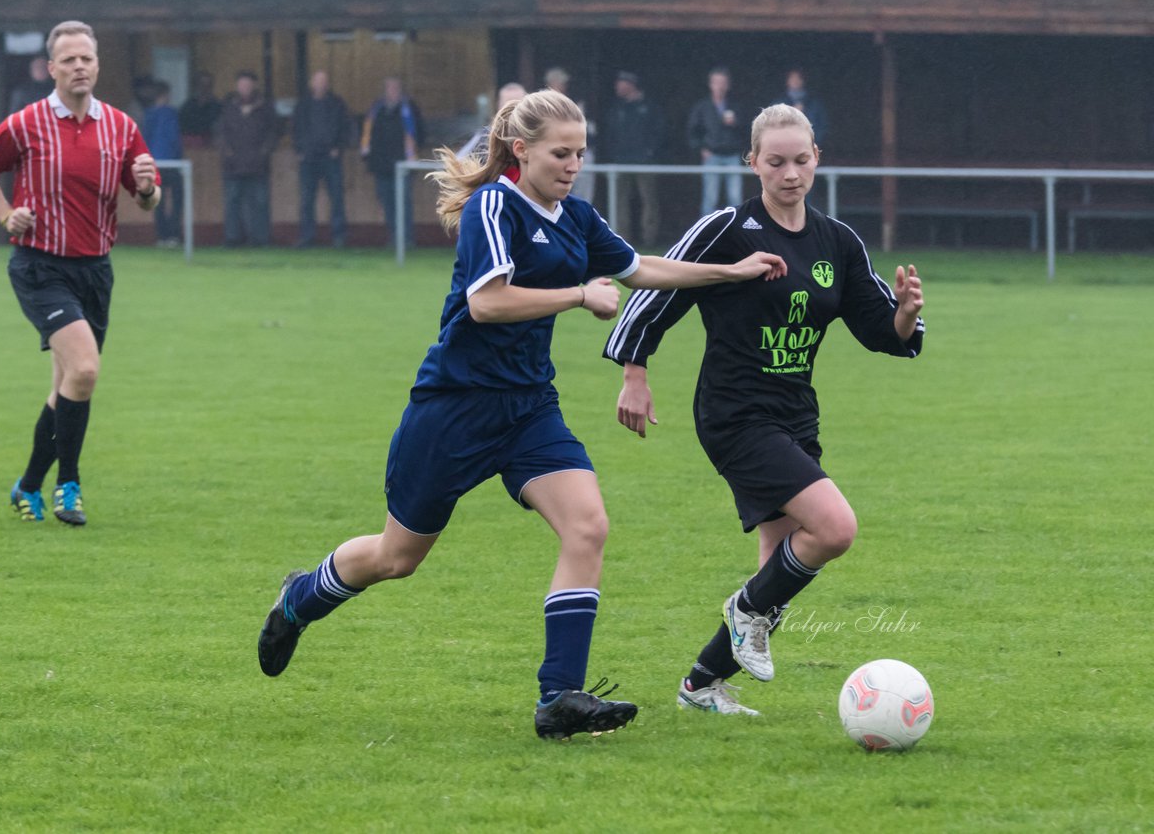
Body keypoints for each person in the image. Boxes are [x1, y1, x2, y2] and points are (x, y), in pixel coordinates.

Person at [256, 89, 786, 740]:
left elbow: (639, 269)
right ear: (520, 150)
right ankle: (298, 599)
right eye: (560, 153)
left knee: (588, 526)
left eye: (581, 154)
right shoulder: (492, 207)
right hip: (454, 407)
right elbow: (488, 303)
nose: (573, 165)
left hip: (529, 407)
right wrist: (578, 295)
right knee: (397, 557)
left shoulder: (575, 216)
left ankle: (559, 697)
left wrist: (730, 271)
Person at [603, 103, 924, 717]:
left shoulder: (838, 241)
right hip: (734, 415)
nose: (790, 174)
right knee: (834, 529)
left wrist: (905, 314)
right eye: (775, 162)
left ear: (817, 160)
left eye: (801, 161)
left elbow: (880, 328)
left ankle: (703, 683)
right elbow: (655, 290)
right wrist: (634, 372)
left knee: (778, 565)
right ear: (752, 163)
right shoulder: (726, 228)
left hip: (795, 415)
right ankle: (744, 612)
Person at [0, 20, 160, 527]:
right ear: (51, 68)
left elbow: (147, 197)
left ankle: (27, 485)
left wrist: (146, 187)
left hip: (95, 270)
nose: (78, 67)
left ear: (97, 65)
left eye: (86, 59)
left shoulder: (119, 126)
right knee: (86, 371)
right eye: (68, 59)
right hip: (39, 265)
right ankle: (67, 486)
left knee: (68, 385)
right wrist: (8, 215)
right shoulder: (26, 123)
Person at [598, 71, 663, 248]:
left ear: (631, 84)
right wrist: (612, 155)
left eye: (621, 83)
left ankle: (649, 241)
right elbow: (609, 135)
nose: (617, 87)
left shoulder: (649, 107)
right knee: (620, 201)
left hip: (644, 162)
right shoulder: (615, 108)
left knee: (648, 201)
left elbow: (659, 132)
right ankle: (621, 240)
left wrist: (650, 152)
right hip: (620, 162)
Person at [216, 70, 278, 247]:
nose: (244, 87)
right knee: (232, 203)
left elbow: (273, 133)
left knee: (260, 203)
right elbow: (219, 132)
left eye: (248, 84)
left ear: (254, 86)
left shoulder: (265, 107)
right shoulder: (228, 106)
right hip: (232, 165)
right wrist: (226, 151)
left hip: (258, 165)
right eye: (242, 84)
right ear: (237, 86)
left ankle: (261, 239)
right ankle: (233, 239)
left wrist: (264, 152)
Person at [360, 76, 424, 247]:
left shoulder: (409, 109)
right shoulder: (376, 109)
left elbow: (418, 133)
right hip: (382, 165)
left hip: (403, 164)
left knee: (404, 203)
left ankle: (407, 238)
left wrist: (412, 156)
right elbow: (368, 136)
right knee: (387, 202)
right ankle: (394, 237)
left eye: (396, 87)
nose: (392, 91)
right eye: (389, 87)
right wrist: (368, 157)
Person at [292, 69, 349, 249]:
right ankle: (307, 236)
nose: (321, 84)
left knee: (337, 197)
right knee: (307, 199)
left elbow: (345, 128)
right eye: (318, 81)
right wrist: (299, 150)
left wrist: (338, 148)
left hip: (330, 157)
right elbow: (294, 129)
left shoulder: (337, 104)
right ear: (311, 83)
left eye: (324, 81)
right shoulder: (302, 105)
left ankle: (339, 236)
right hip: (308, 157)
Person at [687, 66, 746, 214]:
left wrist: (736, 123)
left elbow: (748, 130)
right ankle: (706, 234)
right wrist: (701, 148)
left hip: (732, 156)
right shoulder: (702, 107)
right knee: (710, 199)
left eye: (723, 82)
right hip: (712, 155)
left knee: (735, 198)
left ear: (728, 85)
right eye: (716, 82)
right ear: (710, 84)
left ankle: (737, 234)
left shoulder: (736, 106)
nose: (719, 86)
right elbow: (692, 131)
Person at [543, 67, 595, 202]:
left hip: (576, 152)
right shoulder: (540, 105)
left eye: (563, 83)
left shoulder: (575, 104)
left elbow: (587, 130)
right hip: (553, 153)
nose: (562, 86)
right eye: (560, 82)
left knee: (581, 194)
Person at [143, 80, 183, 247]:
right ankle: (174, 235)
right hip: (171, 162)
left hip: (154, 162)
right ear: (165, 95)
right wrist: (179, 156)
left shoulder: (148, 114)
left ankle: (161, 236)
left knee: (157, 201)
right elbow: (174, 138)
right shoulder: (170, 113)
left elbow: (144, 137)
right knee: (177, 198)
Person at [455, 82, 525, 160]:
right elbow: (459, 161)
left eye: (516, 103)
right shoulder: (486, 135)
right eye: (508, 104)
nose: (512, 109)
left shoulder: (535, 134)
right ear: (499, 105)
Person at [775, 67, 829, 146]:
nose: (795, 80)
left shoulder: (814, 103)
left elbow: (823, 125)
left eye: (798, 78)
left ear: (803, 80)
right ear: (787, 81)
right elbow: (770, 126)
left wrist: (812, 142)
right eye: (792, 78)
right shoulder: (778, 103)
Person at [179, 71, 221, 148]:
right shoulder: (188, 105)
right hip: (190, 146)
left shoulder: (218, 106)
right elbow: (182, 126)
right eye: (202, 84)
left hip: (211, 147)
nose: (205, 88)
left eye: (208, 85)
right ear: (197, 86)